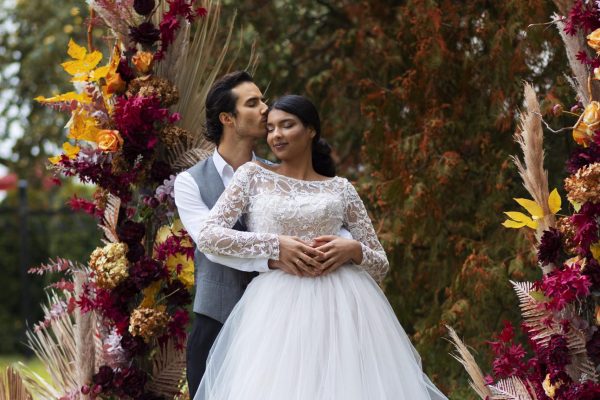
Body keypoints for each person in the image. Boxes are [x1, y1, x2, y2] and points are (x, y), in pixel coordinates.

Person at [193, 95, 447, 399]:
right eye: (271, 128)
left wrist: (352, 250)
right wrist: (276, 246)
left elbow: (380, 264)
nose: (277, 135)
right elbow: (208, 234)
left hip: (343, 309)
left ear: (311, 129)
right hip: (275, 310)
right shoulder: (252, 176)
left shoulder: (341, 189)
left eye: (287, 125)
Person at [174, 72, 352, 398]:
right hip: (217, 318)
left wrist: (343, 243)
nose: (266, 109)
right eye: (253, 103)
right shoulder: (189, 182)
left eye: (264, 101)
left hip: (289, 322)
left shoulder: (276, 173)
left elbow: (318, 215)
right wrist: (275, 248)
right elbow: (210, 243)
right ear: (228, 118)